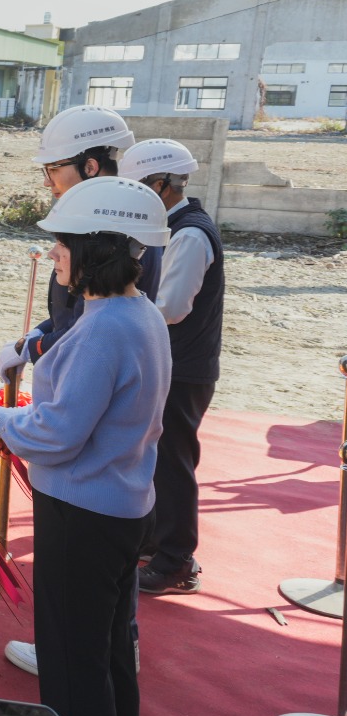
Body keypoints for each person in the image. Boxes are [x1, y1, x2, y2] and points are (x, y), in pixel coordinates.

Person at [0, 177, 173, 716]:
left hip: (84, 516)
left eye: (64, 243)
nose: (55, 254)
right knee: (108, 659)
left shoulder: (106, 329)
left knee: (73, 668)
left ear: (95, 249)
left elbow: (59, 431)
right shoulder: (137, 313)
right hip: (120, 508)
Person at [120, 138, 224, 596]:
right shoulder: (172, 227)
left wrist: (120, 308)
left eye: (140, 187)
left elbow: (172, 307)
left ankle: (176, 559)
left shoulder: (189, 234)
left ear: (162, 185)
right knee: (158, 457)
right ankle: (156, 542)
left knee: (173, 463)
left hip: (183, 366)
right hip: (175, 361)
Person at [0, 105, 135, 381]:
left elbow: (88, 327)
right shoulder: (86, 220)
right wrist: (40, 333)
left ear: (90, 167)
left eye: (53, 169)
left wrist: (31, 348)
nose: (47, 183)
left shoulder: (114, 233)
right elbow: (71, 310)